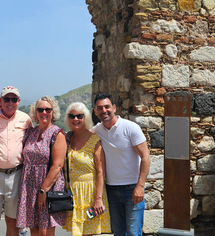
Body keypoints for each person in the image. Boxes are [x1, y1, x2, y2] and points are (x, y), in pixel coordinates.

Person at [93, 93, 150, 236]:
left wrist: (140, 186)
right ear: (95, 111)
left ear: (114, 108)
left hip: (132, 189)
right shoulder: (97, 131)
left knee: (133, 233)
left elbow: (145, 157)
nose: (104, 111)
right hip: (111, 190)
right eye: (99, 108)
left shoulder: (130, 128)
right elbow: (79, 138)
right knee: (118, 233)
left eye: (107, 107)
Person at [0, 86, 33, 236]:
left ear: (19, 101)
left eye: (14, 99)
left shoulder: (25, 119)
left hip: (16, 174)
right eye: (7, 99)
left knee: (12, 220)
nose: (10, 103)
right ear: (0, 101)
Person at [16, 96, 67, 236]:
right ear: (35, 112)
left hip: (47, 186)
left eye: (47, 109)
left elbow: (57, 165)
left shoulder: (57, 133)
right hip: (29, 185)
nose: (44, 112)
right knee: (33, 228)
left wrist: (43, 191)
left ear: (53, 112)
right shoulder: (31, 132)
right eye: (40, 109)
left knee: (45, 230)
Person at [62, 102, 111, 236]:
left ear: (86, 118)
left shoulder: (94, 140)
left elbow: (101, 172)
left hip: (89, 195)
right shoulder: (67, 138)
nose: (75, 119)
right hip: (73, 195)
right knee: (77, 232)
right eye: (72, 116)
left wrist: (98, 199)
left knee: (87, 233)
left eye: (79, 116)